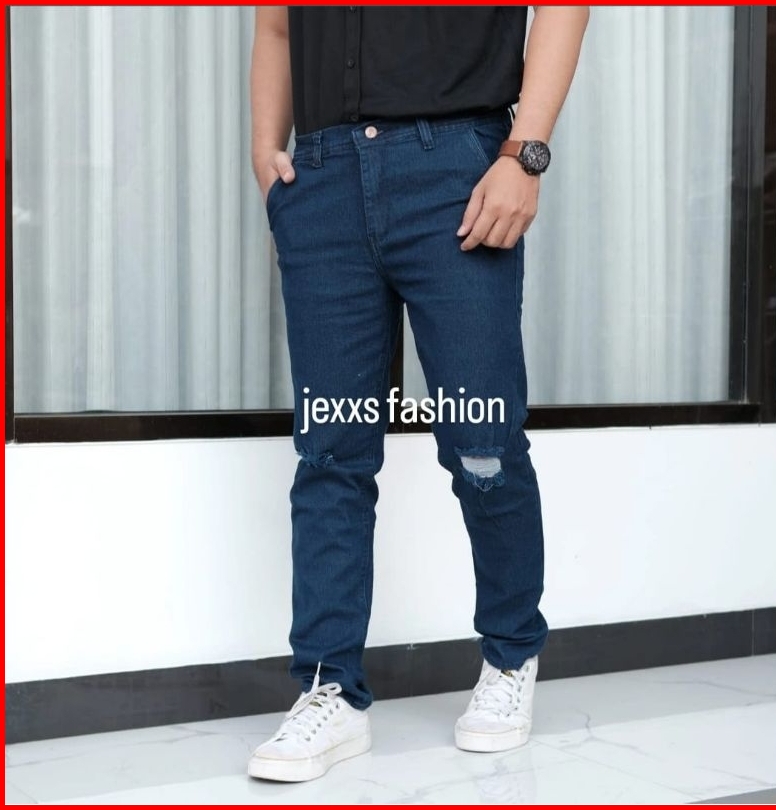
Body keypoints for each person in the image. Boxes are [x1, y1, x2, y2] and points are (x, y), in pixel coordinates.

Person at [247, 5, 589, 783]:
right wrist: (267, 152)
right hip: (324, 176)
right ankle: (329, 687)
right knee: (330, 452)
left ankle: (511, 655)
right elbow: (276, 25)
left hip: (457, 167)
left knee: (481, 442)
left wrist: (525, 155)